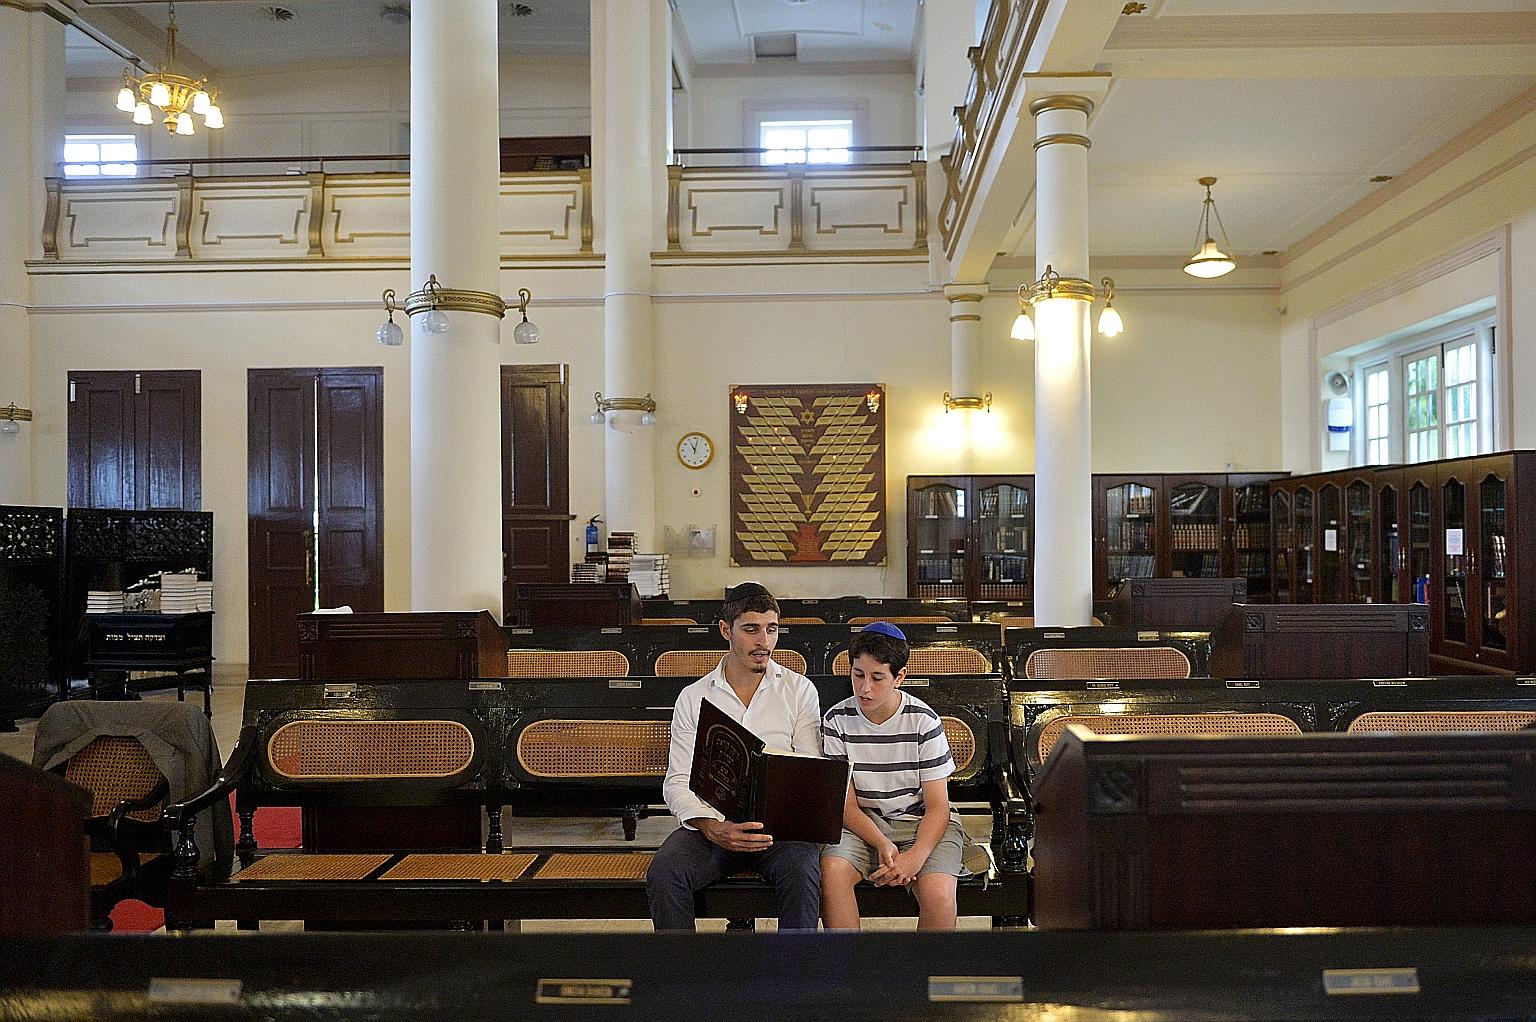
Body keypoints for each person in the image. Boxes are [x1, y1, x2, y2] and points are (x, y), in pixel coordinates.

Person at [645, 581, 824, 931]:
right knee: (665, 873)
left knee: (803, 874)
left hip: (778, 834)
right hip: (712, 830)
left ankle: (796, 968)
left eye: (772, 629)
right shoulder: (694, 697)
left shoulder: (798, 690)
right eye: (751, 629)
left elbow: (809, 770)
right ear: (726, 630)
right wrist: (712, 828)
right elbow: (677, 780)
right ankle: (679, 968)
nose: (764, 642)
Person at [819, 621, 982, 930]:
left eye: (877, 678)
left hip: (921, 822)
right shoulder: (837, 720)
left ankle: (922, 965)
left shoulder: (923, 721)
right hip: (862, 824)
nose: (865, 688)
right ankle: (846, 961)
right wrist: (882, 843)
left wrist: (916, 856)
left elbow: (938, 807)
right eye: (858, 675)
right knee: (833, 872)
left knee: (939, 894)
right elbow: (846, 806)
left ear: (900, 677)